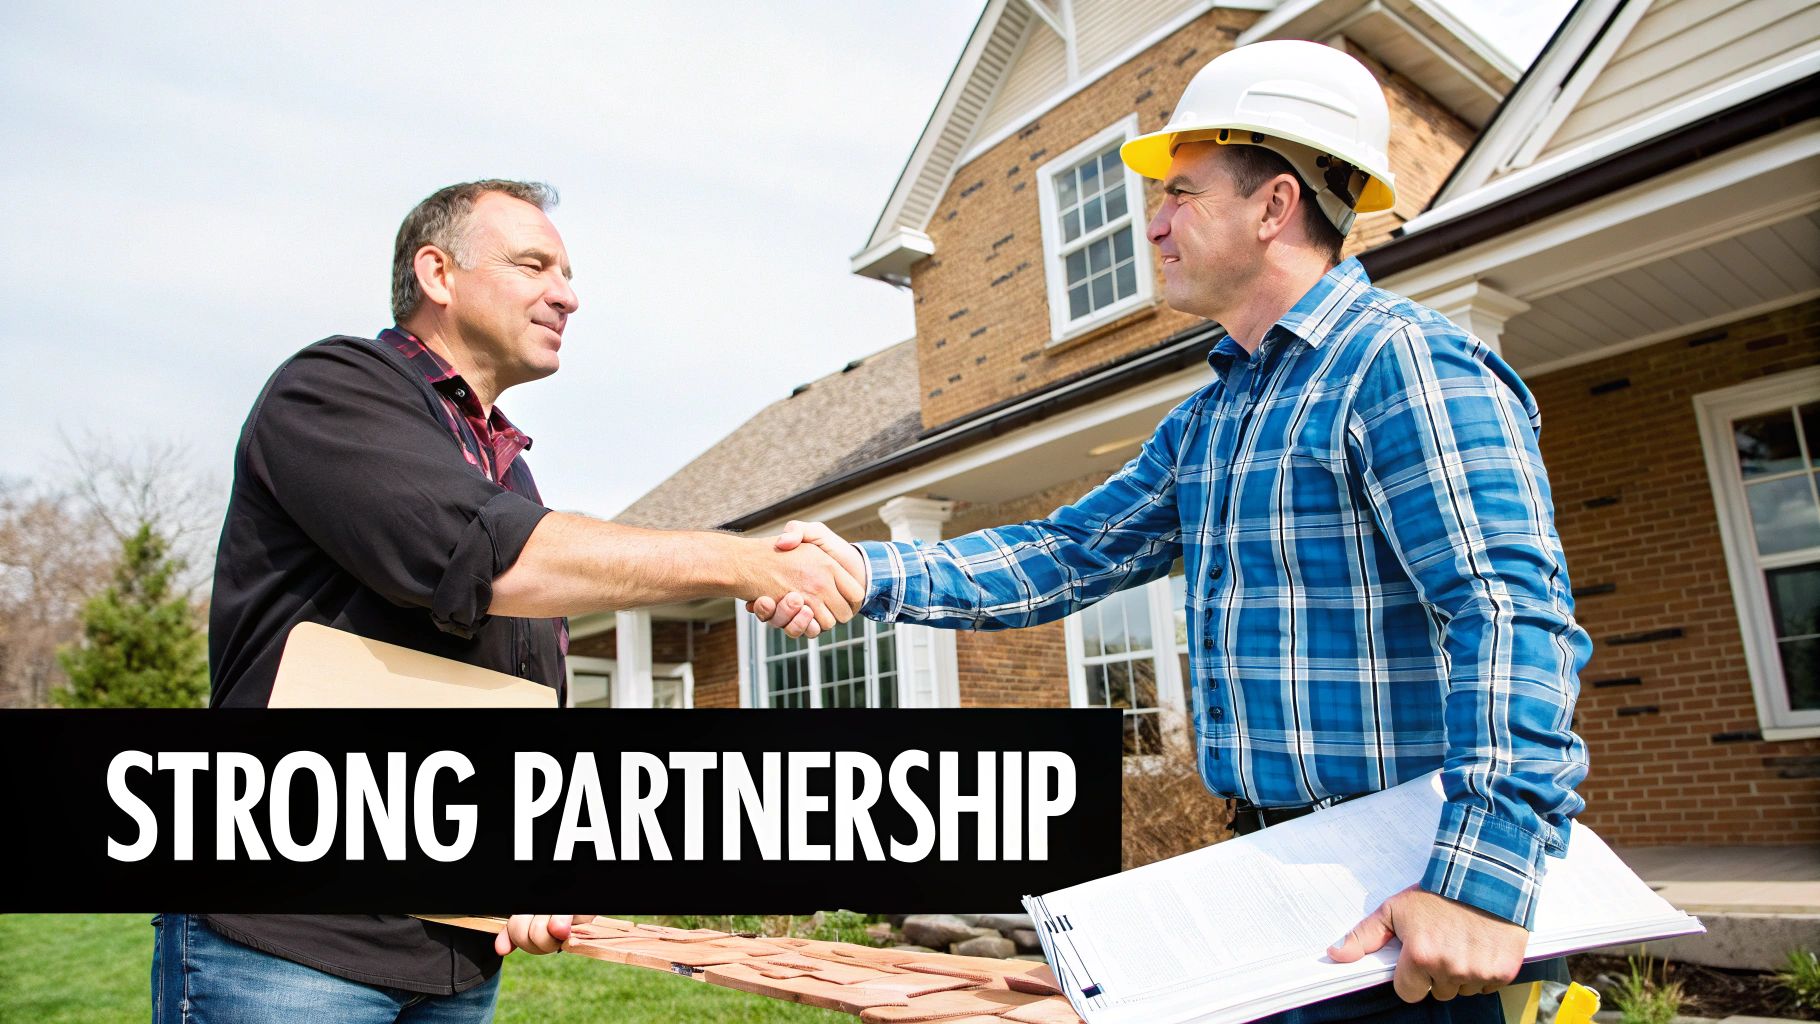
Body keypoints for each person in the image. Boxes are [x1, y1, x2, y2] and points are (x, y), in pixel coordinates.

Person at [753, 40, 1590, 1024]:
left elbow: (1505, 615)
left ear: (1273, 206)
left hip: (1407, 906)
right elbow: (1070, 552)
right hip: (1276, 881)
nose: (1151, 223)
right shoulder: (1213, 420)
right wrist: (864, 567)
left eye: (1181, 193)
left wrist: (1480, 877)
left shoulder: (1400, 365)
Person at [161, 179, 862, 1023]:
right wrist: (743, 564)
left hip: (455, 952)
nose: (566, 294)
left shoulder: (508, 472)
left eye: (566, 273)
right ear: (438, 273)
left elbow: (519, 703)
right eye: (534, 264)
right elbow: (485, 558)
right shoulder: (332, 391)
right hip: (296, 946)